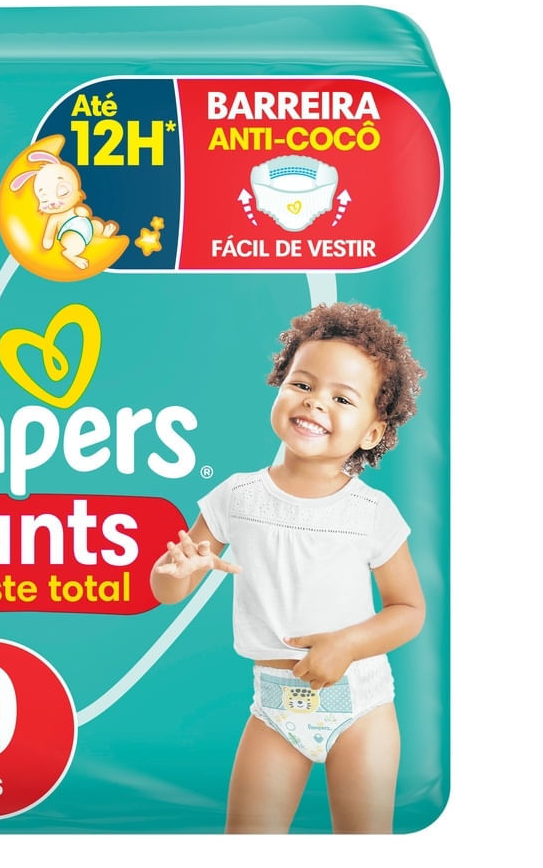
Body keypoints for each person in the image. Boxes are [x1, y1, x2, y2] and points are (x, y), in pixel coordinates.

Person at [150, 302, 426, 833]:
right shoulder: (236, 496)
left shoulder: (372, 512)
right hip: (274, 709)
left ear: (372, 433)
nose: (315, 401)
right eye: (302, 384)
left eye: (342, 398)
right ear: (279, 387)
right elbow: (169, 591)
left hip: (361, 708)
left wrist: (346, 645)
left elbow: (409, 610)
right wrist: (174, 569)